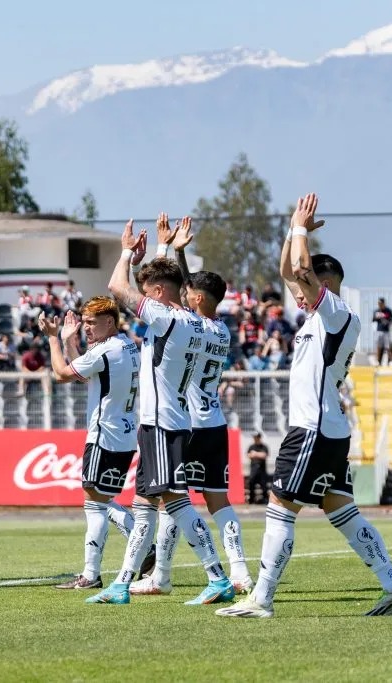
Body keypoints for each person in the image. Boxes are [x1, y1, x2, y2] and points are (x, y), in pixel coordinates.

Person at [217, 193, 392, 619]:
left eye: (305, 289)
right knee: (341, 510)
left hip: (312, 429)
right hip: (328, 428)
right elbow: (290, 270)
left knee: (280, 505)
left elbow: (300, 271)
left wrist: (302, 230)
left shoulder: (337, 312)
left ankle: (262, 598)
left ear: (321, 285)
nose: (296, 294)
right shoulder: (318, 317)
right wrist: (292, 229)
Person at [93, 213, 233, 606]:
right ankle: (123, 582)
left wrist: (125, 253)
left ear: (156, 295)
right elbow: (165, 285)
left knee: (176, 502)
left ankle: (217, 576)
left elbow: (116, 287)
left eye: (148, 292)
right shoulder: (193, 320)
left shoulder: (167, 317)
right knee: (143, 507)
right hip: (173, 421)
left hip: (162, 424)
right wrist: (160, 250)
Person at [130, 216, 253, 597]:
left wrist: (168, 252)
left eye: (190, 293)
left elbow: (180, 298)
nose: (184, 295)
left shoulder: (185, 326)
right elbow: (189, 295)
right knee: (218, 500)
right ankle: (240, 571)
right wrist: (178, 252)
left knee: (172, 500)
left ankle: (162, 575)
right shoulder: (221, 329)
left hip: (184, 419)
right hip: (215, 421)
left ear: (197, 298)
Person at [40, 300, 143, 591]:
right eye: (84, 322)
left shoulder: (106, 350)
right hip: (124, 435)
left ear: (110, 322)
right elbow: (85, 373)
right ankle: (144, 546)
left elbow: (61, 374)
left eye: (91, 322)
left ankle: (91, 574)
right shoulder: (125, 346)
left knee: (94, 502)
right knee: (102, 499)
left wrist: (53, 338)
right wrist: (70, 340)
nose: (86, 327)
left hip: (103, 435)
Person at [246, 433, 270, 505]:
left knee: (264, 485)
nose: (255, 438)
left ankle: (265, 499)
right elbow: (249, 455)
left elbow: (264, 455)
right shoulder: (251, 446)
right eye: (254, 437)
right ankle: (251, 500)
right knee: (251, 483)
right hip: (253, 469)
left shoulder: (264, 446)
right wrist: (259, 454)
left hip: (262, 469)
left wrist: (255, 454)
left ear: (259, 438)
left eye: (256, 437)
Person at [373, 298, 392, 366]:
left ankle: (390, 361)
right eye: (378, 303)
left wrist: (387, 321)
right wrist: (377, 317)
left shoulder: (388, 311)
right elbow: (373, 319)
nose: (379, 305)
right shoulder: (376, 311)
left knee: (388, 347)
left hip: (386, 331)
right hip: (379, 331)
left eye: (381, 303)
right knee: (378, 346)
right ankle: (378, 361)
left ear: (383, 303)